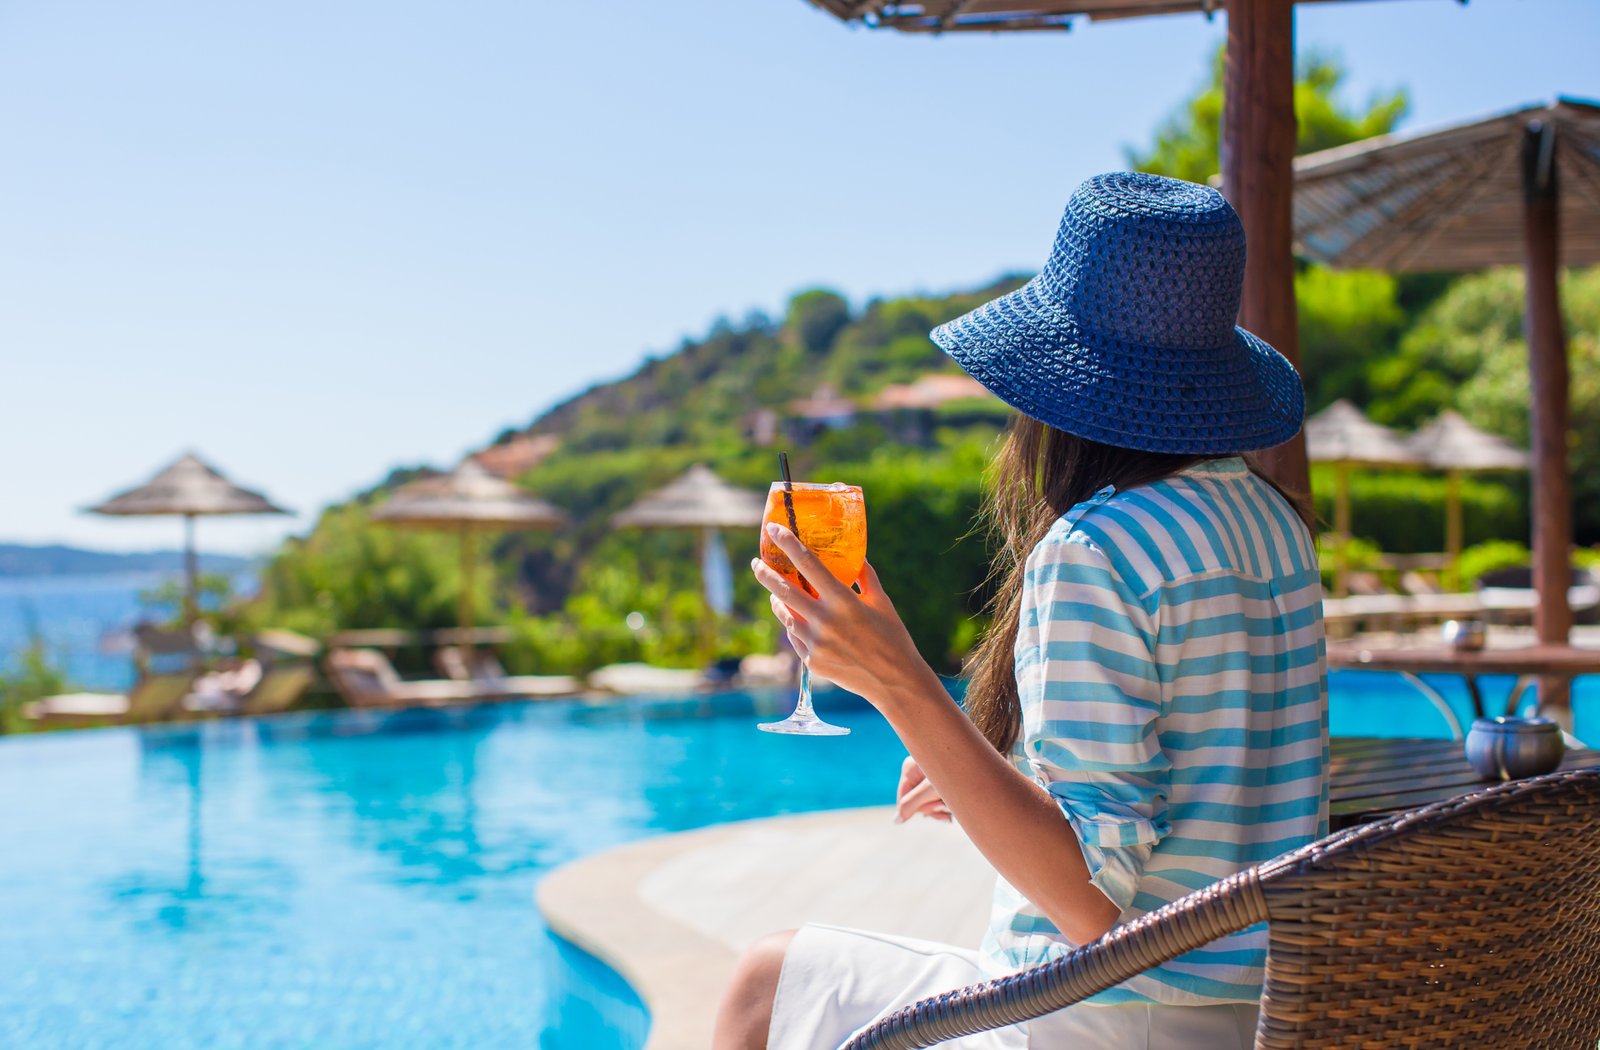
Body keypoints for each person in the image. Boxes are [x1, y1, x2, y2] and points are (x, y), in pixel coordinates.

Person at [715, 172, 1328, 1050]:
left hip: (1097, 1020)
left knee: (763, 985)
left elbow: (1089, 903)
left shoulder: (1095, 550)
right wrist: (991, 770)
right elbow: (1197, 781)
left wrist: (899, 683)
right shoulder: (1274, 525)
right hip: (1256, 1017)